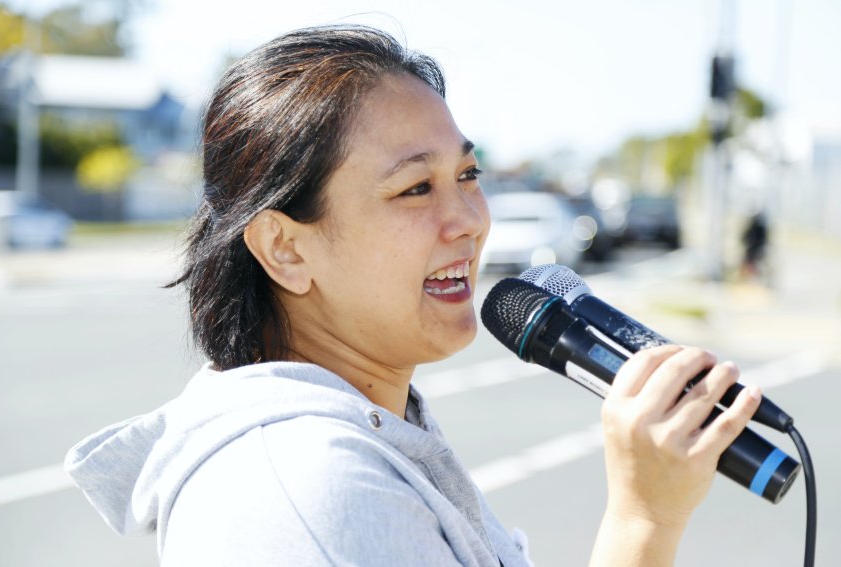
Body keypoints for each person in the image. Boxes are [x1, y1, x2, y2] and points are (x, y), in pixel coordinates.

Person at [65, 25, 762, 566]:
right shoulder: (314, 488)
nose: (469, 218)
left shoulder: (370, 430)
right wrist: (642, 518)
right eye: (414, 189)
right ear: (285, 248)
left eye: (468, 173)